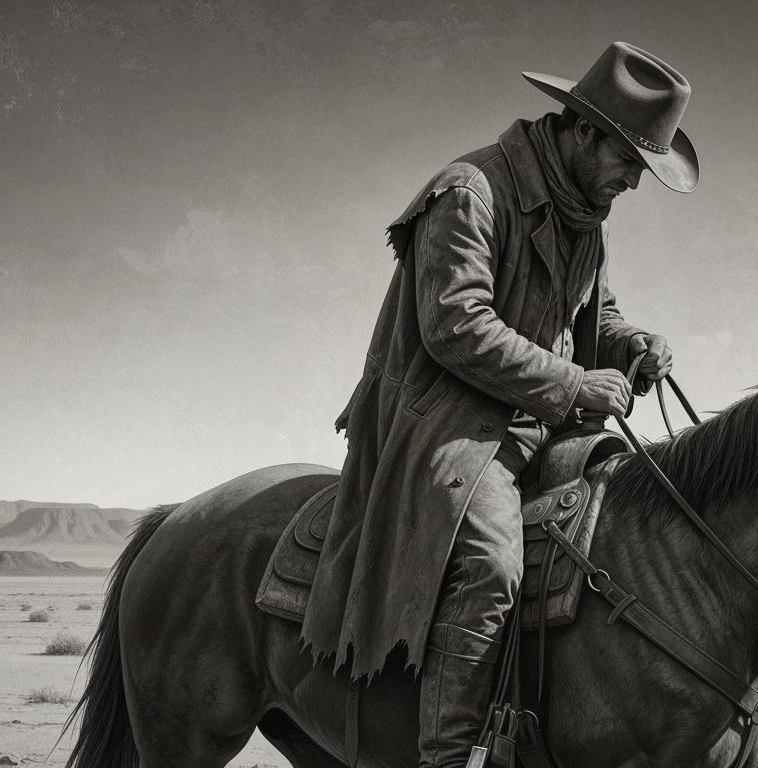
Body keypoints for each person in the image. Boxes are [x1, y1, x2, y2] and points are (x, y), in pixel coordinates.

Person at [299, 41, 699, 767]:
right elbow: (456, 325)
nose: (634, 184)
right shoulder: (469, 192)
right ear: (585, 131)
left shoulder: (586, 215)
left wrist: (632, 345)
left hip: (536, 425)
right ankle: (449, 757)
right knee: (493, 563)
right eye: (629, 163)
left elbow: (593, 321)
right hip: (448, 425)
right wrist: (578, 384)